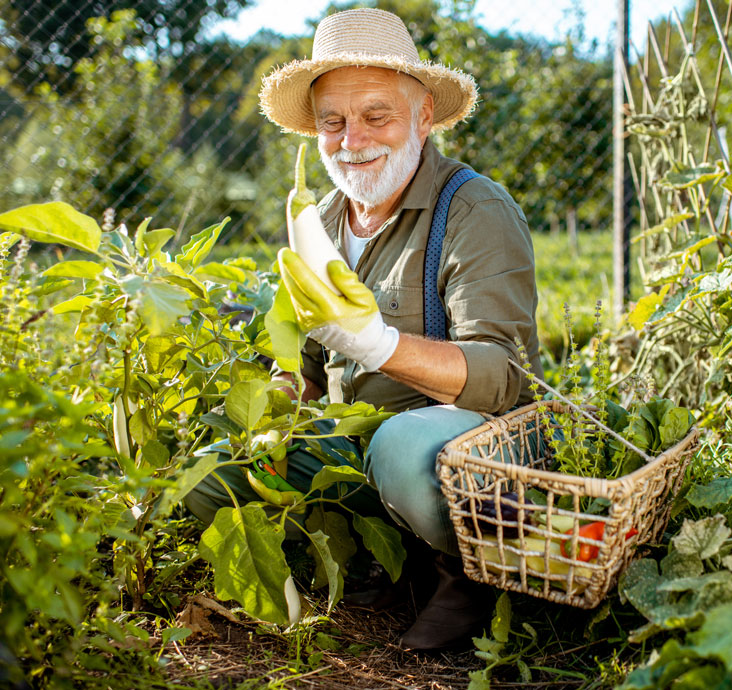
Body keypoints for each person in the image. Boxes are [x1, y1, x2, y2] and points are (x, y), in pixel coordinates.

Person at [184, 8, 543, 651]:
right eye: (333, 121)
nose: (353, 139)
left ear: (423, 116)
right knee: (214, 472)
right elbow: (307, 370)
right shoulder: (318, 219)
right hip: (355, 448)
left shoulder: (473, 210)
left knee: (402, 448)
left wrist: (377, 345)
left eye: (376, 115)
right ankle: (372, 562)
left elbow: (505, 377)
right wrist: (280, 404)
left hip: (467, 455)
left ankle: (470, 576)